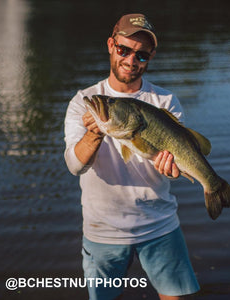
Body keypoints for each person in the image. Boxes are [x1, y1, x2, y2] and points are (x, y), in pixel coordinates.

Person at [64, 13, 200, 300]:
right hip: (103, 231)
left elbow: (175, 159)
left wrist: (173, 169)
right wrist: (95, 133)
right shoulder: (84, 101)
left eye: (141, 55)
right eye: (124, 50)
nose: (131, 60)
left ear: (150, 57)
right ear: (111, 45)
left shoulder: (165, 102)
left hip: (160, 225)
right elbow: (74, 165)